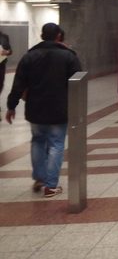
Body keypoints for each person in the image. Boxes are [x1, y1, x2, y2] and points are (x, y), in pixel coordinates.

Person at [5, 23, 81, 198]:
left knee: (38, 141)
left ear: (41, 36)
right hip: (59, 108)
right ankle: (51, 185)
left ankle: (39, 178)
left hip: (35, 108)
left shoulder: (29, 57)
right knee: (56, 143)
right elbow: (78, 83)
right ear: (59, 37)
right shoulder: (69, 57)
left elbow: (18, 84)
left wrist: (11, 106)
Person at [0, 28, 11, 95]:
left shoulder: (4, 37)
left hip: (1, 65)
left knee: (0, 83)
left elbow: (10, 51)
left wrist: (7, 52)